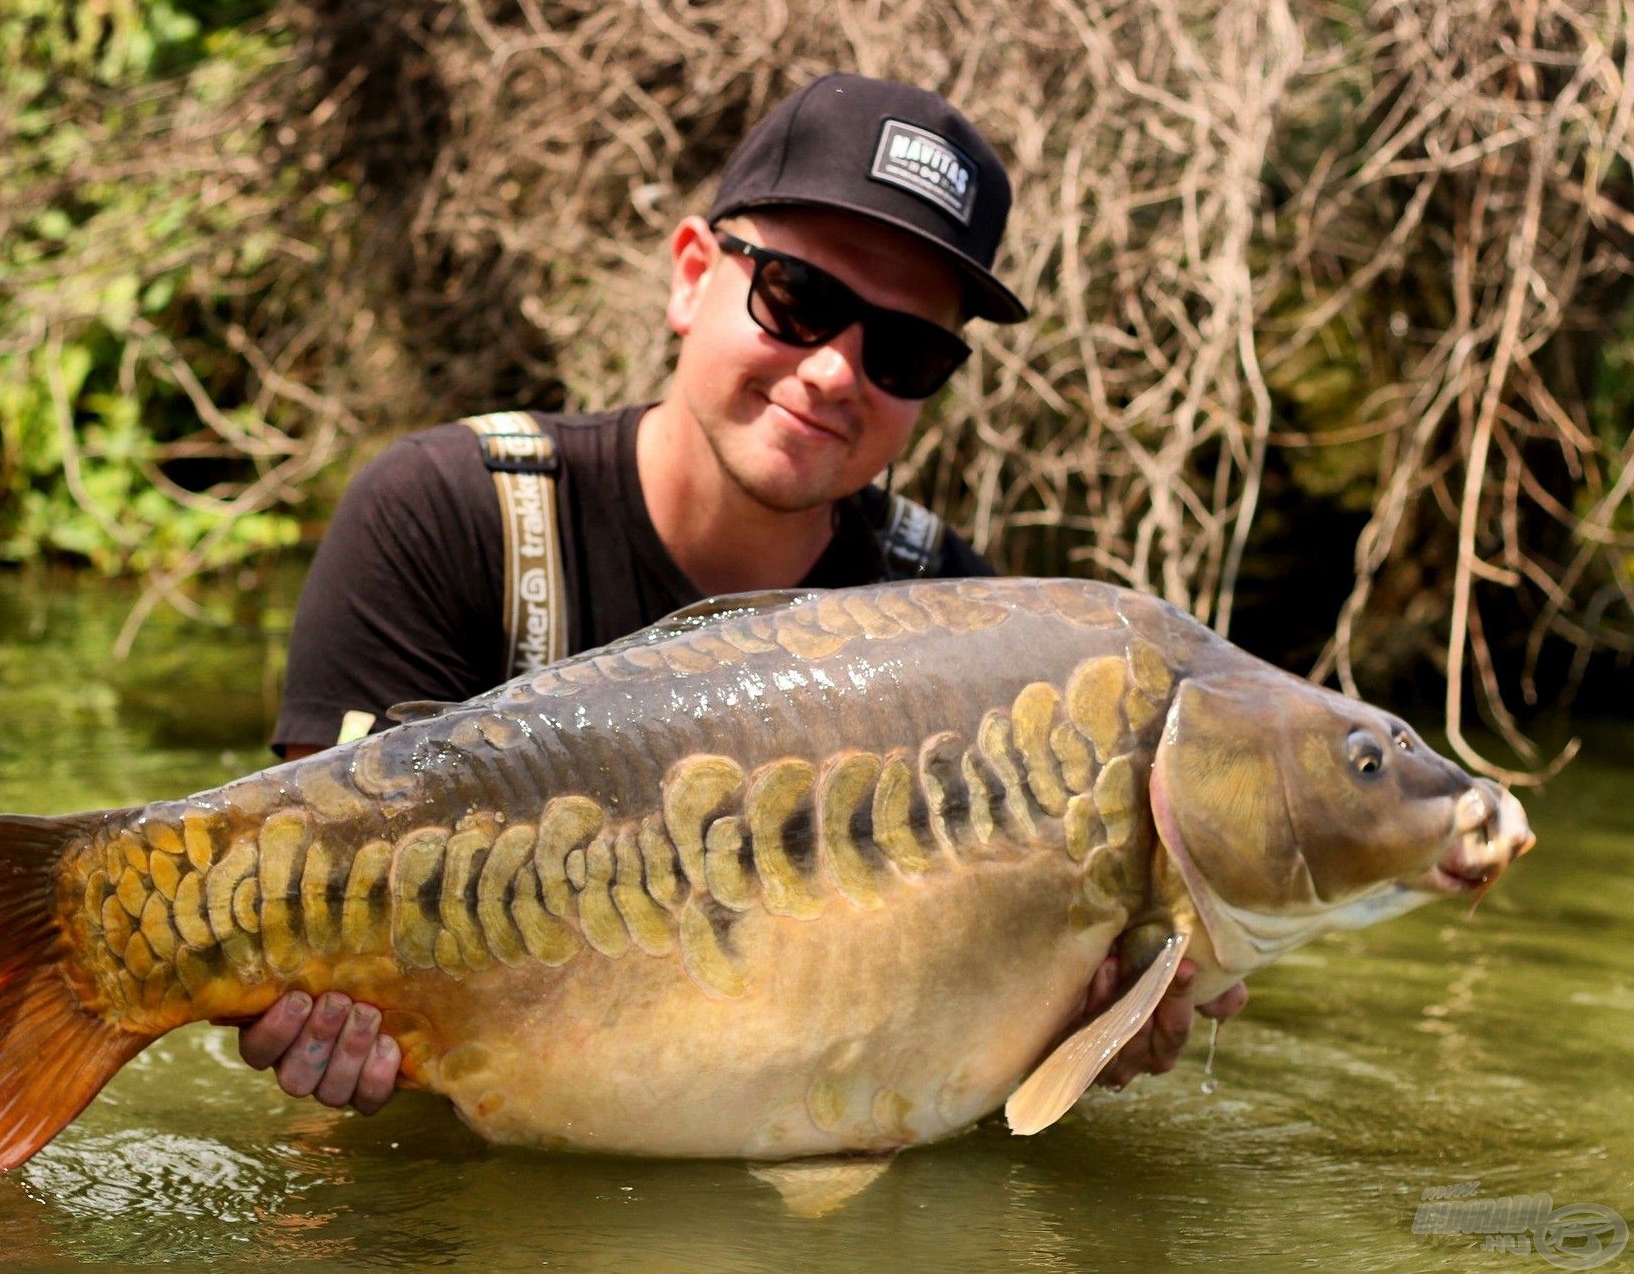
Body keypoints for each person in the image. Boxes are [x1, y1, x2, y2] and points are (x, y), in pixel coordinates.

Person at [235, 73, 1247, 1119]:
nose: (833, 371)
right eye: (799, 300)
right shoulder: (449, 515)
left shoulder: (968, 629)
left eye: (905, 351)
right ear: (690, 276)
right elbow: (300, 894)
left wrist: (1082, 1030)